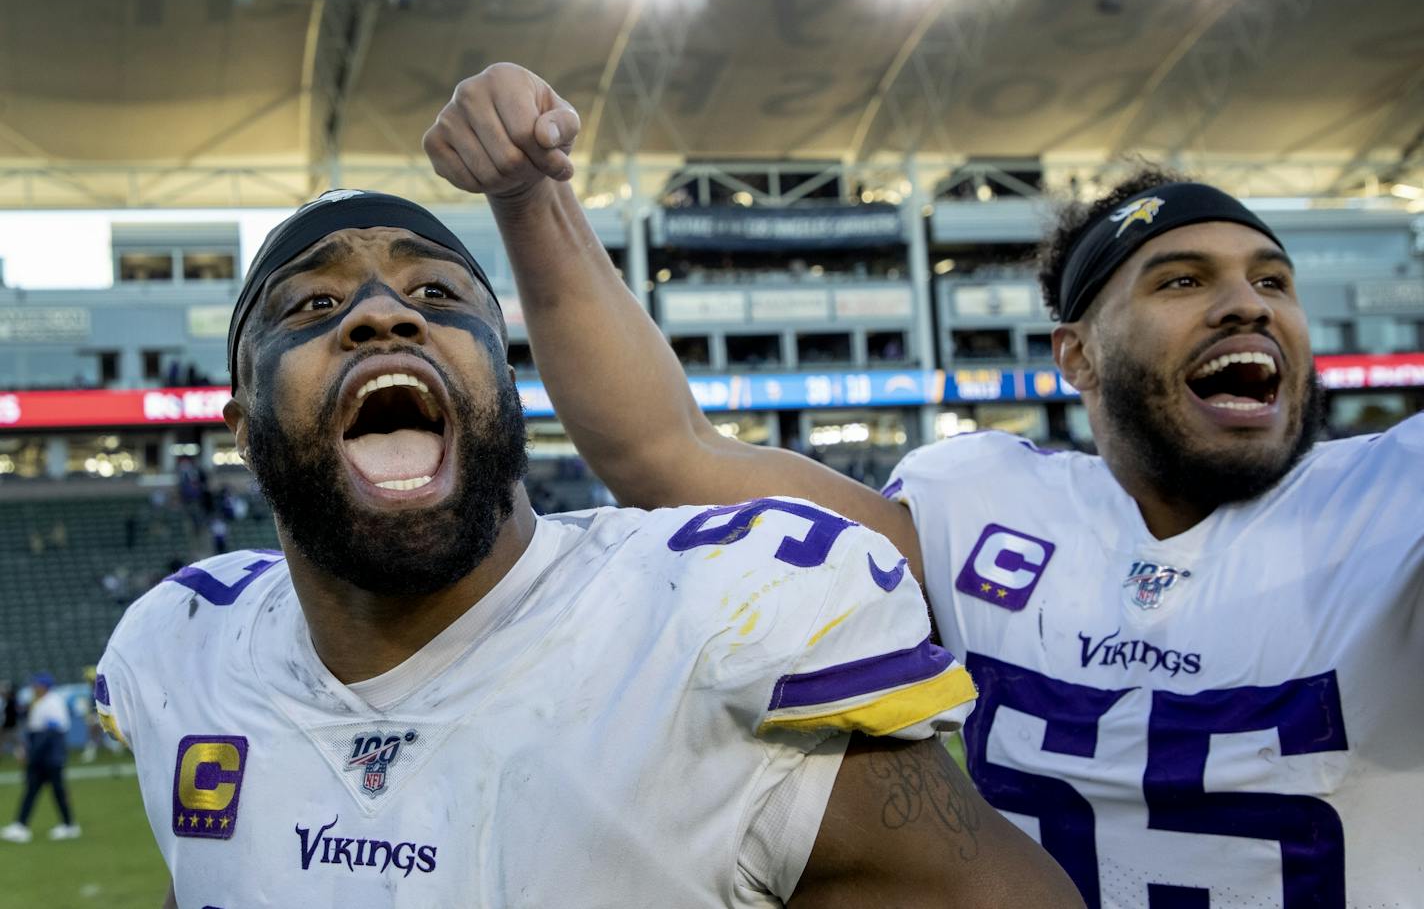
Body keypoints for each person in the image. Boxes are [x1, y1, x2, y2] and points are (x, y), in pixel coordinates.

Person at [418, 0, 1424, 905]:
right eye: (1179, 279)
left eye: (1272, 280)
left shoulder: (1394, 498)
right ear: (1073, 356)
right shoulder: (986, 508)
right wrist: (529, 192)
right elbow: (663, 453)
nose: (1244, 306)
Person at [93, 191, 1078, 906]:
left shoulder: (705, 627)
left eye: (438, 293)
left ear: (499, 387)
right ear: (237, 422)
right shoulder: (185, 650)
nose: (382, 312)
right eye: (309, 305)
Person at [1, 672, 80, 843]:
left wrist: (33, 754)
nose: (33, 687)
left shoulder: (52, 702)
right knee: (32, 789)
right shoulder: (41, 701)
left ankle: (68, 825)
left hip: (49, 756)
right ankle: (21, 825)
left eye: (36, 685)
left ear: (44, 686)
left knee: (56, 790)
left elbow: (51, 732)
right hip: (44, 754)